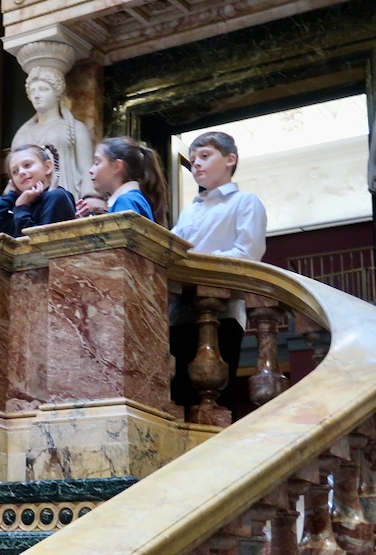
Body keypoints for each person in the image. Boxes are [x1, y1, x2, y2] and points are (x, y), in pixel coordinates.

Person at [170, 131, 267, 416]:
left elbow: (247, 254)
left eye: (204, 156)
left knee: (217, 396)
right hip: (180, 313)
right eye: (192, 159)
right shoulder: (189, 212)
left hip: (221, 311)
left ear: (230, 159)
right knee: (182, 395)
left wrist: (195, 265)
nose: (195, 164)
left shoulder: (246, 202)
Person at [11, 66, 94, 199]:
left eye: (43, 89)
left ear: (57, 93)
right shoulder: (22, 135)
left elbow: (87, 171)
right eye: (32, 91)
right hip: (29, 206)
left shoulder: (75, 128)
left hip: (66, 200)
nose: (36, 95)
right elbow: (13, 177)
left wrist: (89, 200)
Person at [0, 144, 75, 237]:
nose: (21, 172)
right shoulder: (20, 205)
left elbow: (38, 242)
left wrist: (21, 208)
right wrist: (12, 194)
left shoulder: (57, 197)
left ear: (47, 167)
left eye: (27, 165)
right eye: (15, 172)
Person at [80, 136, 168, 227]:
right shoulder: (133, 198)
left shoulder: (126, 201)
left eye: (97, 163)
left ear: (117, 166)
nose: (90, 170)